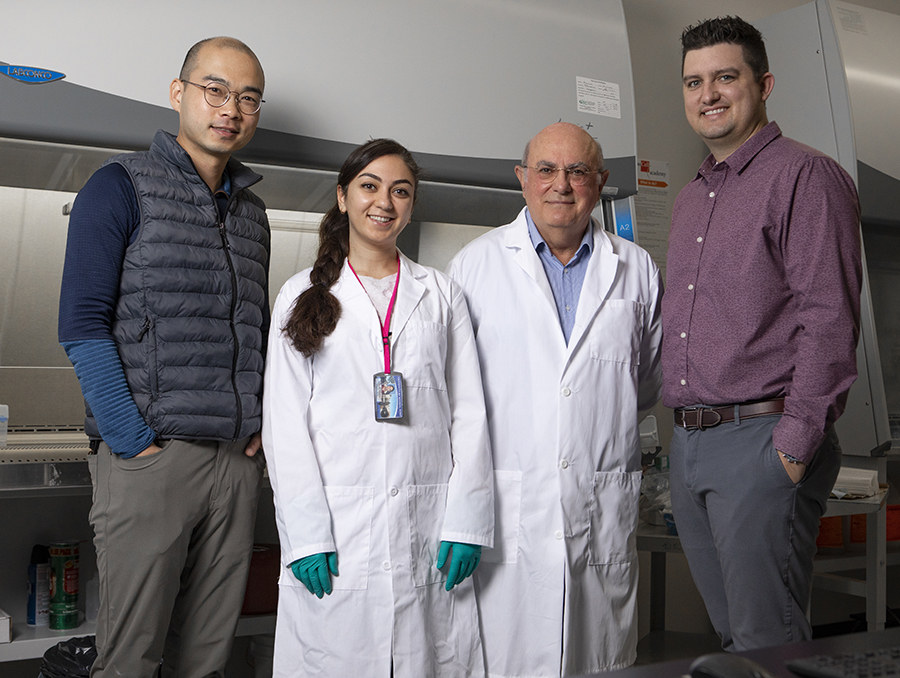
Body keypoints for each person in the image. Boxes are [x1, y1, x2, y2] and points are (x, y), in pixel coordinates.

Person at [58, 37, 269, 677]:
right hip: (153, 458)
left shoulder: (254, 214)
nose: (230, 108)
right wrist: (131, 441)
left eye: (247, 97)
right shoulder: (118, 186)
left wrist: (258, 424)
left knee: (205, 659)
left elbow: (251, 331)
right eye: (215, 89)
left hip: (234, 465)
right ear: (179, 94)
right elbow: (81, 325)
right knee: (129, 658)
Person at [662, 16, 862, 651]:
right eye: (694, 81)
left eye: (726, 76)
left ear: (764, 83)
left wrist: (792, 448)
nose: (708, 94)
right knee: (732, 639)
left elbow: (829, 318)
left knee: (765, 641)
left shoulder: (806, 176)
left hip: (760, 440)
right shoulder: (695, 195)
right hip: (692, 443)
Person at [262, 138, 494, 677]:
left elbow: (470, 415)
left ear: (411, 206)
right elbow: (284, 425)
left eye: (400, 191)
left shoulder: (440, 294)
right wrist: (306, 535)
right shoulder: (301, 295)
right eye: (369, 186)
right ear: (343, 197)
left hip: (428, 523)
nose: (383, 202)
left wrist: (467, 521)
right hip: (339, 528)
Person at [447, 122, 663, 676]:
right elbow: (455, 400)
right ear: (523, 179)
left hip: (599, 508)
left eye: (577, 171)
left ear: (600, 182)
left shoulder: (636, 268)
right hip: (507, 513)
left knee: (597, 661)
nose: (560, 184)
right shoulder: (475, 265)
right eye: (545, 169)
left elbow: (647, 384)